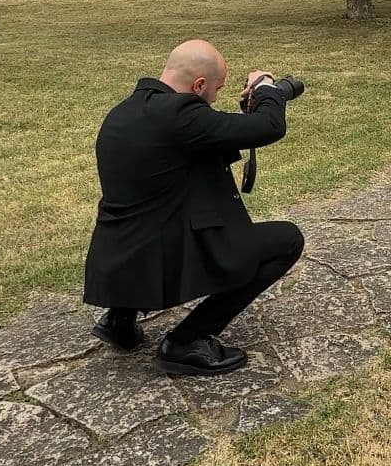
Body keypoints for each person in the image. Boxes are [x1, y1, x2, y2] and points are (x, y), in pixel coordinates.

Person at [83, 39, 306, 375]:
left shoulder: (126, 112)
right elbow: (269, 127)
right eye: (216, 89)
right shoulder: (179, 116)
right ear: (199, 85)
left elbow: (207, 140)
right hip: (162, 252)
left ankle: (120, 319)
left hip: (117, 261)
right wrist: (268, 91)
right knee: (286, 240)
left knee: (151, 217)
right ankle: (187, 340)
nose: (215, 99)